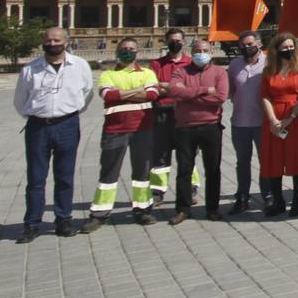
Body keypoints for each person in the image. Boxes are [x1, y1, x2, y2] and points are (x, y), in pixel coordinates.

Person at [13, 27, 93, 242]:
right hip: (38, 126)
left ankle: (63, 219)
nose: (52, 43)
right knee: (36, 178)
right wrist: (39, 114)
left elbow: (87, 92)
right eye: (48, 40)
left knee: (65, 176)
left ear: (66, 42)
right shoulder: (31, 69)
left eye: (56, 40)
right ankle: (32, 224)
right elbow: (20, 100)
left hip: (67, 124)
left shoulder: (79, 66)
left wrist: (69, 111)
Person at [83, 37, 160, 232]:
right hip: (115, 130)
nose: (128, 51)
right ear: (117, 51)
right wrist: (137, 90)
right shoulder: (108, 74)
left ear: (137, 52)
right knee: (109, 172)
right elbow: (108, 95)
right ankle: (99, 214)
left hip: (142, 128)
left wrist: (122, 94)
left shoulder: (148, 72)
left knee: (142, 172)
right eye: (124, 48)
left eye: (132, 48)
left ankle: (143, 209)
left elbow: (151, 94)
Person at [167, 39, 229, 224]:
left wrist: (189, 95)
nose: (201, 53)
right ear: (191, 52)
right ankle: (183, 209)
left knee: (213, 169)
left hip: (211, 125)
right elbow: (173, 91)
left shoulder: (219, 72)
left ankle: (212, 208)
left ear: (211, 52)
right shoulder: (181, 71)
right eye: (197, 50)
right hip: (185, 127)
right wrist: (204, 90)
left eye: (205, 50)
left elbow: (220, 97)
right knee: (184, 169)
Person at [260, 32, 298, 217]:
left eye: (292, 47)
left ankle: (297, 200)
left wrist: (289, 118)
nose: (289, 50)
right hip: (274, 115)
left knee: (297, 157)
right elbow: (265, 96)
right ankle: (278, 200)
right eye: (284, 48)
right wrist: (273, 121)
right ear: (276, 50)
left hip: (296, 116)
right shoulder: (269, 71)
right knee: (274, 158)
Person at [148, 27, 198, 208]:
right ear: (166, 41)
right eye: (171, 40)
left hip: (185, 114)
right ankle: (157, 191)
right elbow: (153, 89)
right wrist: (179, 89)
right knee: (160, 153)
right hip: (162, 113)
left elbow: (194, 89)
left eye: (178, 40)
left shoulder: (191, 63)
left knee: (188, 153)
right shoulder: (156, 64)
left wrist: (168, 88)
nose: (175, 43)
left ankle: (190, 189)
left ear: (184, 42)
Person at [227, 31, 269, 215]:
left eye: (250, 43)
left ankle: (267, 195)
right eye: (242, 44)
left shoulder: (268, 62)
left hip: (263, 121)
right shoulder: (235, 64)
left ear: (259, 43)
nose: (246, 47)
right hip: (240, 122)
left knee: (265, 161)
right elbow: (229, 90)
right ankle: (242, 196)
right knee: (242, 162)